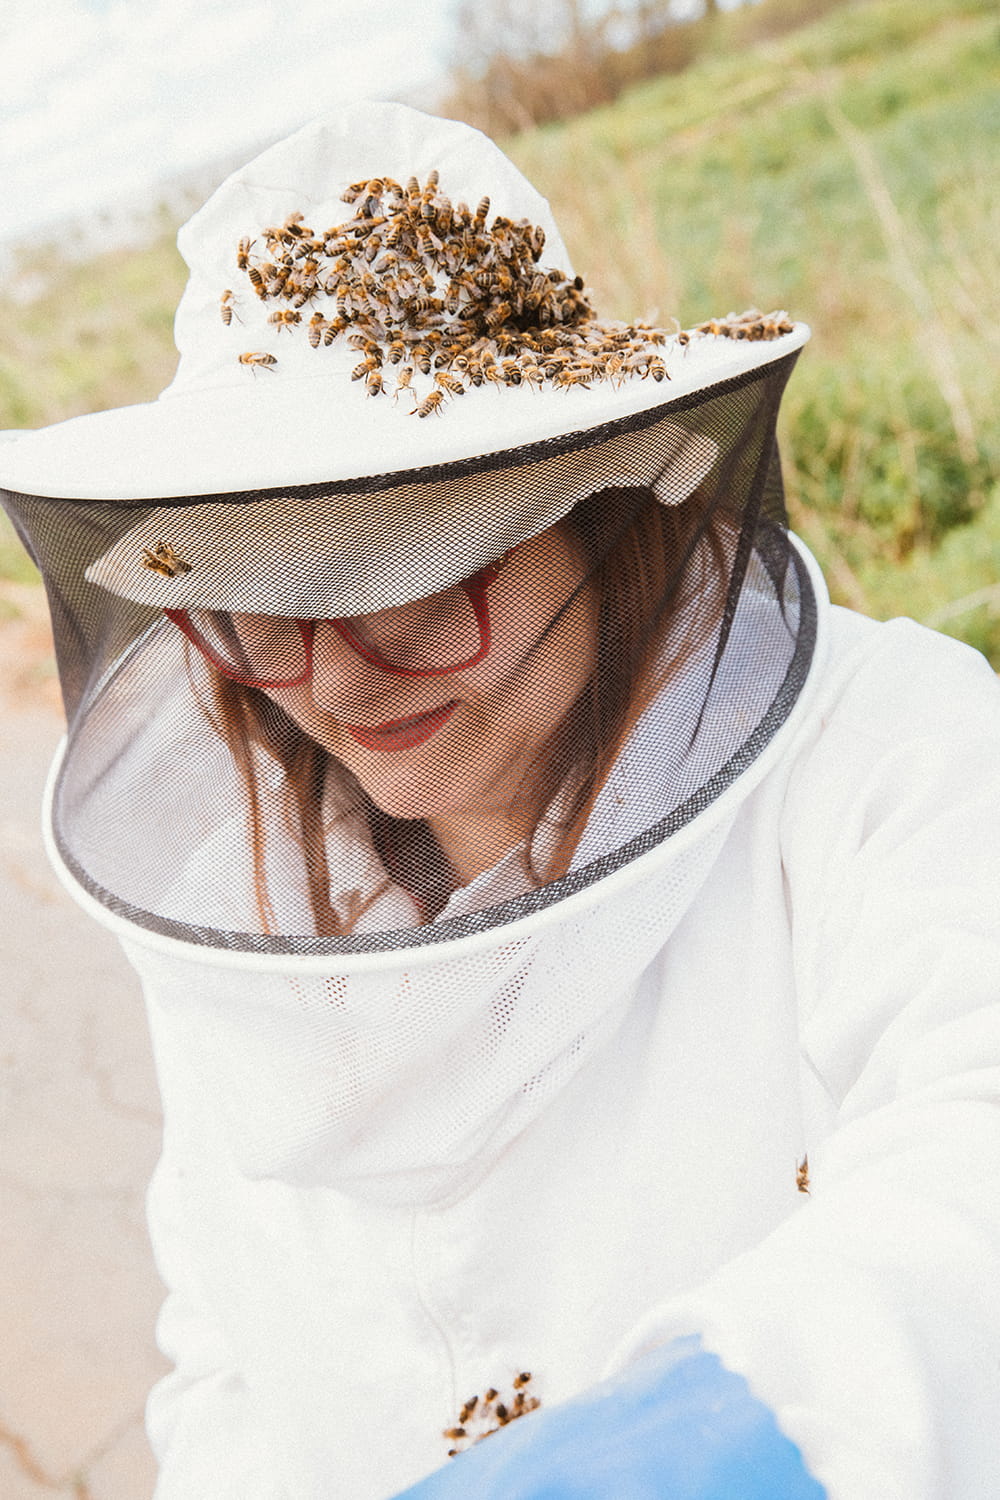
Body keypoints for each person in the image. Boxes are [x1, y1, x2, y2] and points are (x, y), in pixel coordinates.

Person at [1, 101, 999, 1500]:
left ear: (594, 510)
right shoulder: (258, 923)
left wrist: (701, 1444)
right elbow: (222, 1361)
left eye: (406, 582)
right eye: (265, 614)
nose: (336, 687)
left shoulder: (894, 754)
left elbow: (977, 1169)